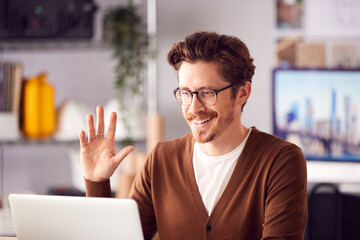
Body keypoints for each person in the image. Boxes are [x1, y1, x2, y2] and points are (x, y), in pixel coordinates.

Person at [79, 31, 308, 239]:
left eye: (207, 93)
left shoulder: (281, 160)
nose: (194, 108)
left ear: (242, 93)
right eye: (186, 93)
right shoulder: (161, 159)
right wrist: (97, 183)